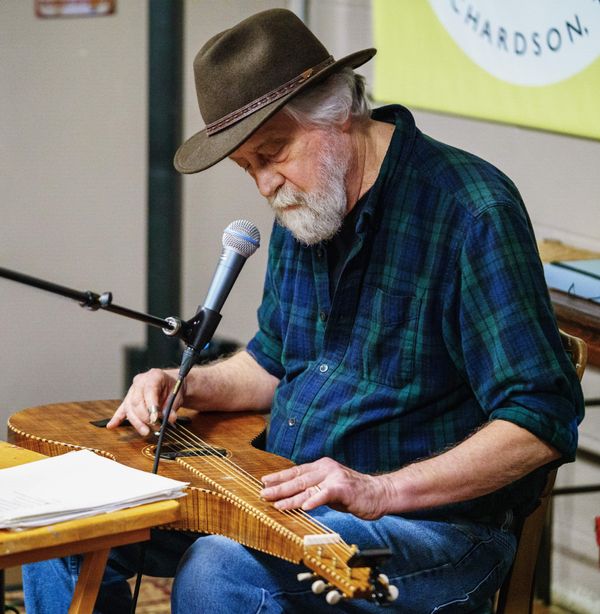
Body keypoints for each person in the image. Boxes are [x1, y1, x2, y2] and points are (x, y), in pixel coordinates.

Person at [23, 8, 584, 614]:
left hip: (428, 534)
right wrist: (185, 384)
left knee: (221, 572)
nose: (265, 184)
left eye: (273, 152)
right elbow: (273, 362)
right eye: (248, 167)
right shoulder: (309, 203)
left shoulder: (471, 212)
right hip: (286, 494)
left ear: (338, 112)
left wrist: (379, 490)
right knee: (63, 519)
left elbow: (540, 420)